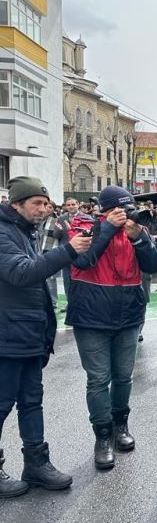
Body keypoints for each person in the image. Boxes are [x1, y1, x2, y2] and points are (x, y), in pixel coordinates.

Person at [0, 177, 91, 497]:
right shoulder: (2, 233)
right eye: (37, 203)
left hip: (27, 334)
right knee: (1, 405)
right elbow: (21, 273)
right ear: (16, 205)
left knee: (31, 402)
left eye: (46, 203)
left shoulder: (24, 231)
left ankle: (36, 464)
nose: (44, 208)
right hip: (7, 336)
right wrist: (68, 250)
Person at [66, 186, 157, 470]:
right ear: (105, 210)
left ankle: (121, 426)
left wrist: (139, 239)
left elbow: (155, 265)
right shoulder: (84, 225)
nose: (126, 214)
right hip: (91, 315)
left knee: (123, 377)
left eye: (129, 208)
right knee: (98, 379)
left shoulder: (135, 231)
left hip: (128, 314)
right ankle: (103, 436)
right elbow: (82, 260)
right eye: (120, 209)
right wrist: (107, 228)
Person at [54, 196, 80, 309]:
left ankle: (80, 303)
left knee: (80, 280)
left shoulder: (86, 218)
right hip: (66, 253)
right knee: (67, 280)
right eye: (68, 205)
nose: (71, 207)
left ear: (78, 204)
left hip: (80, 253)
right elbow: (56, 235)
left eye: (73, 204)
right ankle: (70, 303)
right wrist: (58, 230)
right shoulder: (61, 218)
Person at [37, 201, 61, 311]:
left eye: (50, 207)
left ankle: (54, 302)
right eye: (46, 206)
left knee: (51, 279)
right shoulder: (40, 219)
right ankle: (44, 301)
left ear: (53, 209)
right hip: (39, 250)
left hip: (52, 250)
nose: (47, 209)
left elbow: (60, 235)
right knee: (41, 278)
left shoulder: (57, 220)